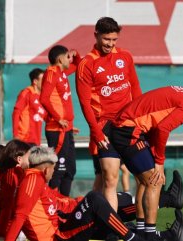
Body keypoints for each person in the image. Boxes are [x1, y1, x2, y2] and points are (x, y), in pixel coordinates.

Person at [110, 78, 183, 241]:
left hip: (126, 128)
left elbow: (155, 124)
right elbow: (163, 128)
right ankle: (150, 234)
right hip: (128, 130)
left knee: (145, 181)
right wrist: (159, 162)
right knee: (154, 181)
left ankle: (143, 231)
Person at [5, 146, 183, 241]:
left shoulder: (36, 181)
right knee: (97, 200)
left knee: (112, 215)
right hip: (60, 237)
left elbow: (51, 206)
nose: (53, 172)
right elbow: (19, 215)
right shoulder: (32, 180)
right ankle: (138, 234)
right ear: (46, 170)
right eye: (52, 169)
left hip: (64, 225)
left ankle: (171, 235)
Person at [76, 16, 142, 212]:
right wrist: (96, 132)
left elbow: (135, 88)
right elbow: (84, 103)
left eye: (114, 40)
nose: (110, 44)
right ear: (96, 35)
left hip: (129, 123)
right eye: (106, 39)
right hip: (105, 128)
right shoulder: (87, 64)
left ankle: (144, 227)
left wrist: (140, 119)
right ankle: (111, 228)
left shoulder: (125, 56)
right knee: (109, 179)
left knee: (143, 176)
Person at [40, 45, 81, 196]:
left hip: (66, 128)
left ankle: (64, 203)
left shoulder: (62, 73)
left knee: (70, 169)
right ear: (59, 59)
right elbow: (43, 98)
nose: (69, 60)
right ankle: (49, 203)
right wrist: (58, 119)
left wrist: (75, 55)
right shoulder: (51, 73)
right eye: (66, 57)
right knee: (59, 169)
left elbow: (77, 65)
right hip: (56, 129)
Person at [0, 139, 31, 238]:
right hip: (12, 230)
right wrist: (6, 234)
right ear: (19, 159)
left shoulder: (4, 174)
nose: (31, 160)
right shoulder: (14, 174)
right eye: (29, 157)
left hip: (6, 229)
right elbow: (10, 206)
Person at [12, 68, 46, 146]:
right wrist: (15, 135)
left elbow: (48, 117)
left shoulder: (42, 96)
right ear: (35, 82)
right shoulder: (26, 93)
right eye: (43, 80)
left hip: (36, 140)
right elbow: (16, 113)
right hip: (24, 139)